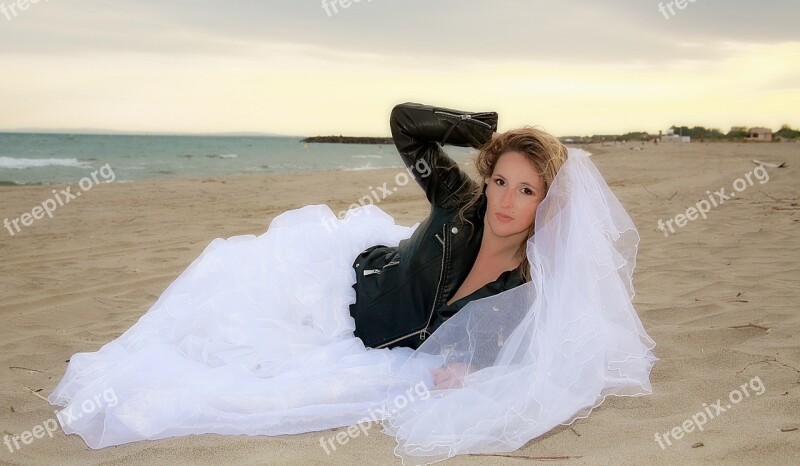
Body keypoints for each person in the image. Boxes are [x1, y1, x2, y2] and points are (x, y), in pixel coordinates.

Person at [48, 102, 656, 465]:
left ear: (547, 205)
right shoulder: (458, 196)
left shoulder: (529, 286)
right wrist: (486, 133)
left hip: (370, 352)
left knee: (247, 385)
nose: (505, 200)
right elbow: (404, 123)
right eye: (501, 180)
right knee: (216, 326)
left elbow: (517, 350)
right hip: (337, 292)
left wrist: (476, 370)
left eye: (527, 191)